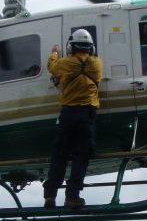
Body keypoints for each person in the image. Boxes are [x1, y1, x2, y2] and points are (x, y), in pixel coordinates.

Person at [43, 29, 102, 209]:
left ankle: (50, 196)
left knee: (59, 154)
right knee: (81, 156)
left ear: (72, 46)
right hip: (87, 115)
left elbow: (52, 68)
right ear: (90, 48)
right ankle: (72, 196)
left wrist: (54, 52)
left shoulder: (65, 63)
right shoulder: (97, 63)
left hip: (68, 114)